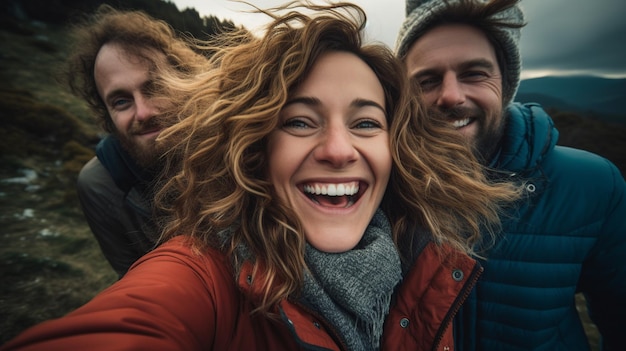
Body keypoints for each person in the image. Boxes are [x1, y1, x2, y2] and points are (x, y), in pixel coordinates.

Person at [1, 2, 519, 350]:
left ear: (395, 146)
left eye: (365, 122)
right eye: (297, 121)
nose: (339, 150)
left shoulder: (424, 253)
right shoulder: (205, 272)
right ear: (255, 151)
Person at [395, 0, 626, 350]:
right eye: (427, 80)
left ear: (506, 83)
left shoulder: (591, 185)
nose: (451, 96)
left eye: (474, 73)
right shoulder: (380, 186)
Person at [65, 5, 208, 277]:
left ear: (184, 80)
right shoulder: (100, 185)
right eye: (121, 101)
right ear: (106, 115)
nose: (143, 112)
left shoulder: (234, 140)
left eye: (155, 87)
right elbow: (135, 279)